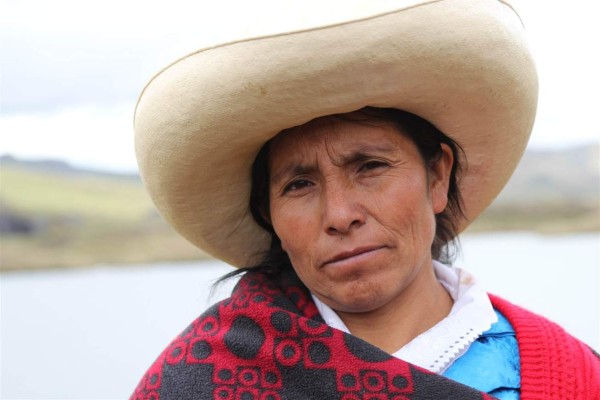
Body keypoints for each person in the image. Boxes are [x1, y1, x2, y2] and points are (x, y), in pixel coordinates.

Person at [130, 0, 600, 399]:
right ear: (269, 215)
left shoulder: (571, 378)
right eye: (299, 185)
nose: (339, 215)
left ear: (438, 176)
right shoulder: (199, 381)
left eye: (371, 167)